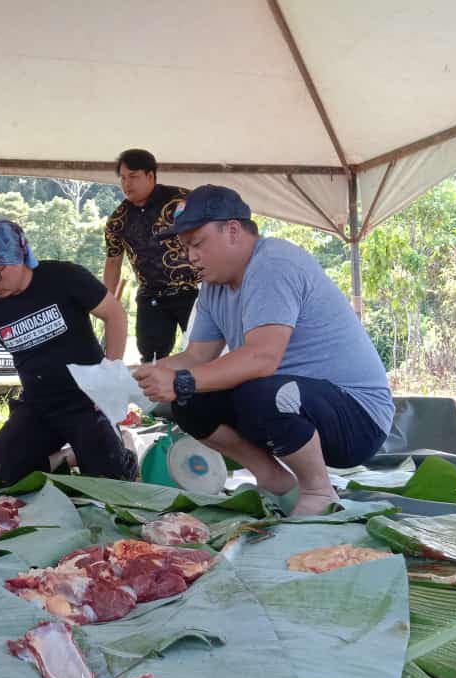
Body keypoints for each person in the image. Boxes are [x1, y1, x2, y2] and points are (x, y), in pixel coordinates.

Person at [133, 185, 394, 517]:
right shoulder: (213, 288)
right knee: (189, 401)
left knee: (259, 391)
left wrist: (181, 380)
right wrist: (133, 378)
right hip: (297, 403)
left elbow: (261, 358)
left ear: (232, 230)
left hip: (358, 418)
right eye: (186, 248)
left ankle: (317, 490)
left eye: (197, 244)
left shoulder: (273, 264)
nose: (191, 257)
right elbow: (197, 357)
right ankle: (273, 479)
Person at [0, 220, 136, 485]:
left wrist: (108, 378)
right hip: (38, 403)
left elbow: (115, 316)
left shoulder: (64, 277)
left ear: (19, 258)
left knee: (108, 476)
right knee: (5, 472)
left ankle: (125, 452)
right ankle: (68, 458)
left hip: (86, 399)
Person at [104, 148, 199, 362]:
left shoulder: (184, 201)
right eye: (123, 178)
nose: (127, 184)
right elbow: (113, 260)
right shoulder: (118, 219)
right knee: (152, 358)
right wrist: (106, 303)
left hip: (195, 291)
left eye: (134, 177)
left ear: (150, 175)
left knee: (207, 352)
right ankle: (157, 396)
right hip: (152, 295)